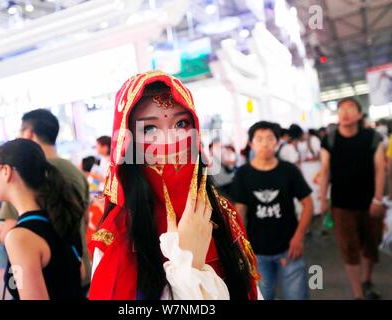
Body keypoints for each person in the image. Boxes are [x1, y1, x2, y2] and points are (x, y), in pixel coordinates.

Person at [88, 70, 260, 300]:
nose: (170, 140)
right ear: (128, 144)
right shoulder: (117, 235)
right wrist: (189, 268)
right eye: (149, 129)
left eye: (181, 123)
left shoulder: (221, 211)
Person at [0, 108, 91, 295]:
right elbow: (85, 219)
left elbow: (6, 233)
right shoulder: (75, 172)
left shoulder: (23, 177)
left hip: (42, 274)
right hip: (80, 267)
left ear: (29, 133)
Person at [231, 121, 313, 300]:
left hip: (289, 248)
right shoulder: (243, 174)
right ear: (251, 143)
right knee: (262, 297)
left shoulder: (289, 170)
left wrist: (299, 237)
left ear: (277, 142)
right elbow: (240, 211)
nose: (265, 143)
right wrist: (242, 248)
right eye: (259, 139)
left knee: (296, 296)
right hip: (257, 252)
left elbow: (308, 203)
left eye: (270, 138)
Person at [320, 97, 386, 300]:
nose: (345, 113)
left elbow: (380, 170)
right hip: (341, 205)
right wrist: (322, 198)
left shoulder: (372, 137)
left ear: (359, 114)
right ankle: (358, 294)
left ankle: (366, 281)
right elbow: (325, 171)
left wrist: (377, 199)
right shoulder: (329, 139)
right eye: (341, 109)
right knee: (349, 248)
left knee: (371, 245)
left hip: (369, 203)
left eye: (350, 108)